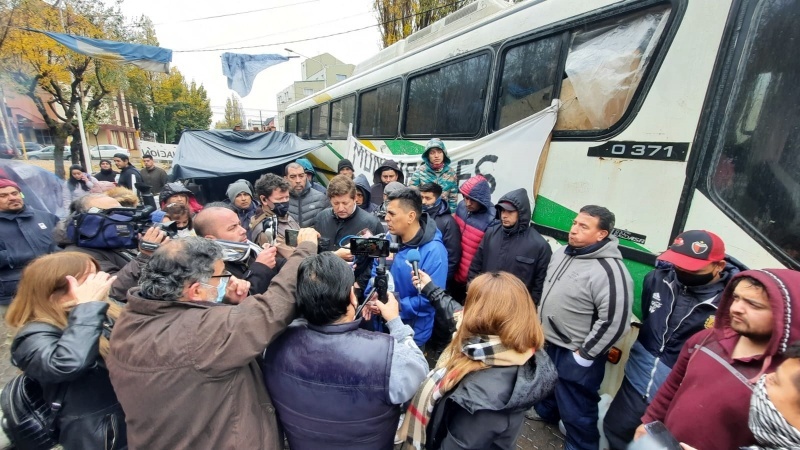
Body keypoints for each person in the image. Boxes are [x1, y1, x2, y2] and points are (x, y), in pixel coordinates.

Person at [107, 231, 318, 449]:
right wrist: (305, 249)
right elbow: (274, 307)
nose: (228, 279)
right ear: (196, 290)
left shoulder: (130, 319)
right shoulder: (197, 335)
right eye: (221, 275)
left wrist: (223, 302)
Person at [262, 252, 428, 450]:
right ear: (352, 295)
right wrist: (395, 322)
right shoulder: (387, 356)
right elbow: (420, 370)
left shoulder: (272, 344)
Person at [604, 230, 743, 449]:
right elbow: (650, 318)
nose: (683, 270)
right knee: (615, 429)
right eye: (679, 263)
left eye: (692, 267)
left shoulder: (729, 305)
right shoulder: (656, 279)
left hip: (678, 397)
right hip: (636, 381)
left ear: (719, 266)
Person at [634, 269, 800, 450]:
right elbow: (672, 386)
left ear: (786, 315)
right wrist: (649, 422)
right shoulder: (706, 339)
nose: (736, 308)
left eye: (753, 304)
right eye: (736, 298)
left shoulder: (785, 378)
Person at [397, 272, 558, 449]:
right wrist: (430, 288)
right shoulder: (514, 348)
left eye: (470, 302)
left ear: (482, 316)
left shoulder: (484, 399)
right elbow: (454, 313)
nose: (464, 309)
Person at [533, 205, 633, 450]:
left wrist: (584, 356)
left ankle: (580, 445)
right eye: (574, 223)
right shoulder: (563, 254)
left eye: (583, 226)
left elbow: (616, 322)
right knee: (547, 386)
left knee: (577, 409)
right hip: (549, 341)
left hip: (575, 350)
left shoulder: (610, 271)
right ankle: (546, 413)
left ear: (602, 234)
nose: (573, 230)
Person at [7, 252, 126, 448]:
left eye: (97, 274)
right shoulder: (31, 336)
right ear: (53, 293)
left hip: (132, 416)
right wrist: (88, 308)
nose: (99, 282)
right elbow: (67, 365)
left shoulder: (104, 311)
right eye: (87, 280)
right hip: (100, 433)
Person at [369, 187, 448, 347]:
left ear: (411, 216)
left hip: (411, 336)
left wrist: (396, 307)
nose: (386, 218)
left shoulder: (434, 251)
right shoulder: (386, 239)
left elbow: (430, 299)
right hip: (380, 329)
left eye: (392, 214)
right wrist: (371, 299)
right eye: (386, 213)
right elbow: (374, 275)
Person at [468, 188, 551, 302]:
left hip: (513, 309)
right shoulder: (491, 233)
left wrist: (529, 308)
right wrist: (471, 291)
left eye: (510, 212)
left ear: (521, 213)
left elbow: (539, 285)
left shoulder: (540, 246)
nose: (504, 216)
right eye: (502, 211)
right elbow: (476, 266)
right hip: (484, 300)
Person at [0, 178, 58, 312]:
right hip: (12, 296)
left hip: (52, 288)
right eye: (3, 196)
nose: (12, 198)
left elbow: (63, 244)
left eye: (15, 193)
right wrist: (15, 255)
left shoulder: (45, 217)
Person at [194, 206, 279, 295]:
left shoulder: (249, 249)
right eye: (232, 228)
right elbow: (242, 299)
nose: (243, 230)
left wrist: (271, 256)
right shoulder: (212, 271)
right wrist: (261, 267)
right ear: (211, 239)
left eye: (239, 224)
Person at [453, 174, 496, 298]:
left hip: (470, 280)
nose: (467, 203)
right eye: (465, 197)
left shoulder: (491, 220)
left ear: (482, 199)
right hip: (454, 271)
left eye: (472, 199)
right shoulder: (461, 207)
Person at [419, 182, 461, 288]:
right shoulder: (416, 215)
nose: (423, 202)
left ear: (438, 199)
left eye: (428, 198)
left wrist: (441, 280)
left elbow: (453, 257)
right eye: (421, 197)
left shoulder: (448, 222)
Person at [407, 138, 458, 213]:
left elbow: (453, 198)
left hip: (443, 213)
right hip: (424, 213)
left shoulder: (451, 173)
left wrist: (452, 214)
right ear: (428, 156)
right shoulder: (420, 172)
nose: (436, 156)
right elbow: (412, 195)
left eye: (439, 152)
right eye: (432, 153)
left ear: (444, 154)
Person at [250, 173, 299, 246]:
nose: (285, 201)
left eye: (287, 197)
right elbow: (293, 256)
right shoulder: (268, 229)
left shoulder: (284, 215)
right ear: (264, 200)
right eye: (279, 199)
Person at [286, 162, 327, 228]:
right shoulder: (280, 201)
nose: (298, 180)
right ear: (286, 178)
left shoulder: (321, 198)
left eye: (301, 176)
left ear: (305, 177)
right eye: (293, 177)